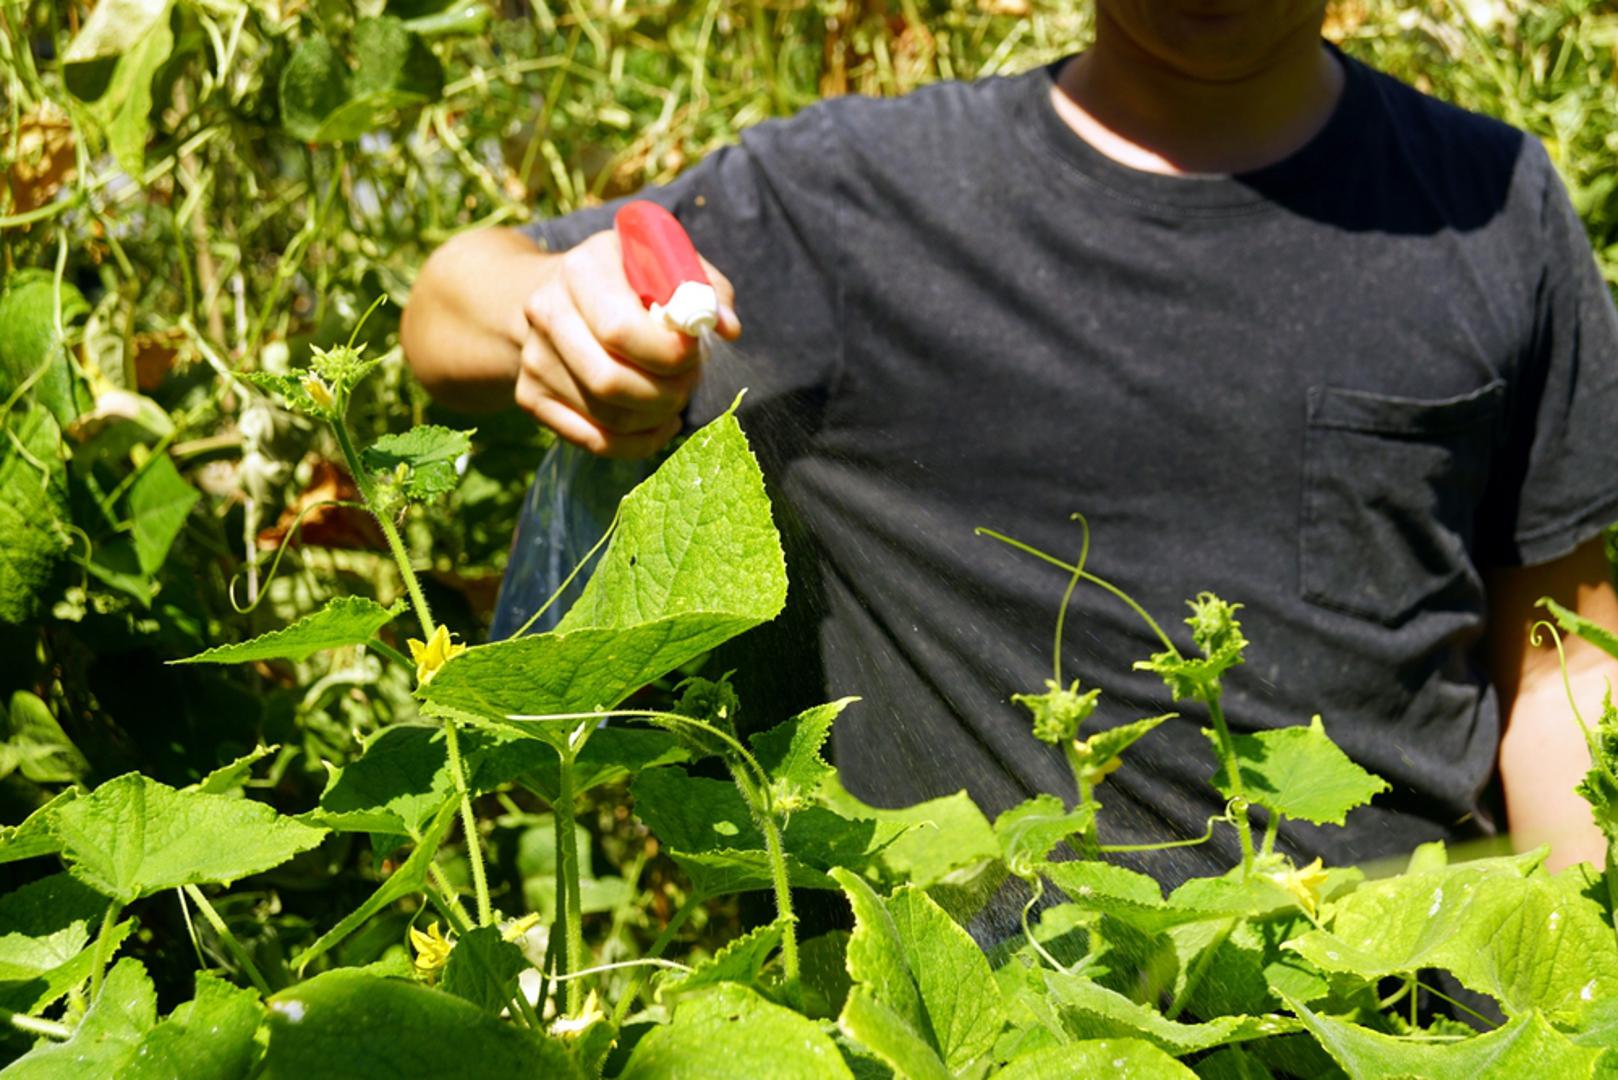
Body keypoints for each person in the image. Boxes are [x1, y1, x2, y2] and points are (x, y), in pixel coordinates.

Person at [401, 1, 1618, 887]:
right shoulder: (857, 203)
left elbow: (1568, 665)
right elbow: (445, 305)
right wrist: (560, 309)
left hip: (1399, 1020)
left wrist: (1577, 1008)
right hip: (996, 1028)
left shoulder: (1494, 207)